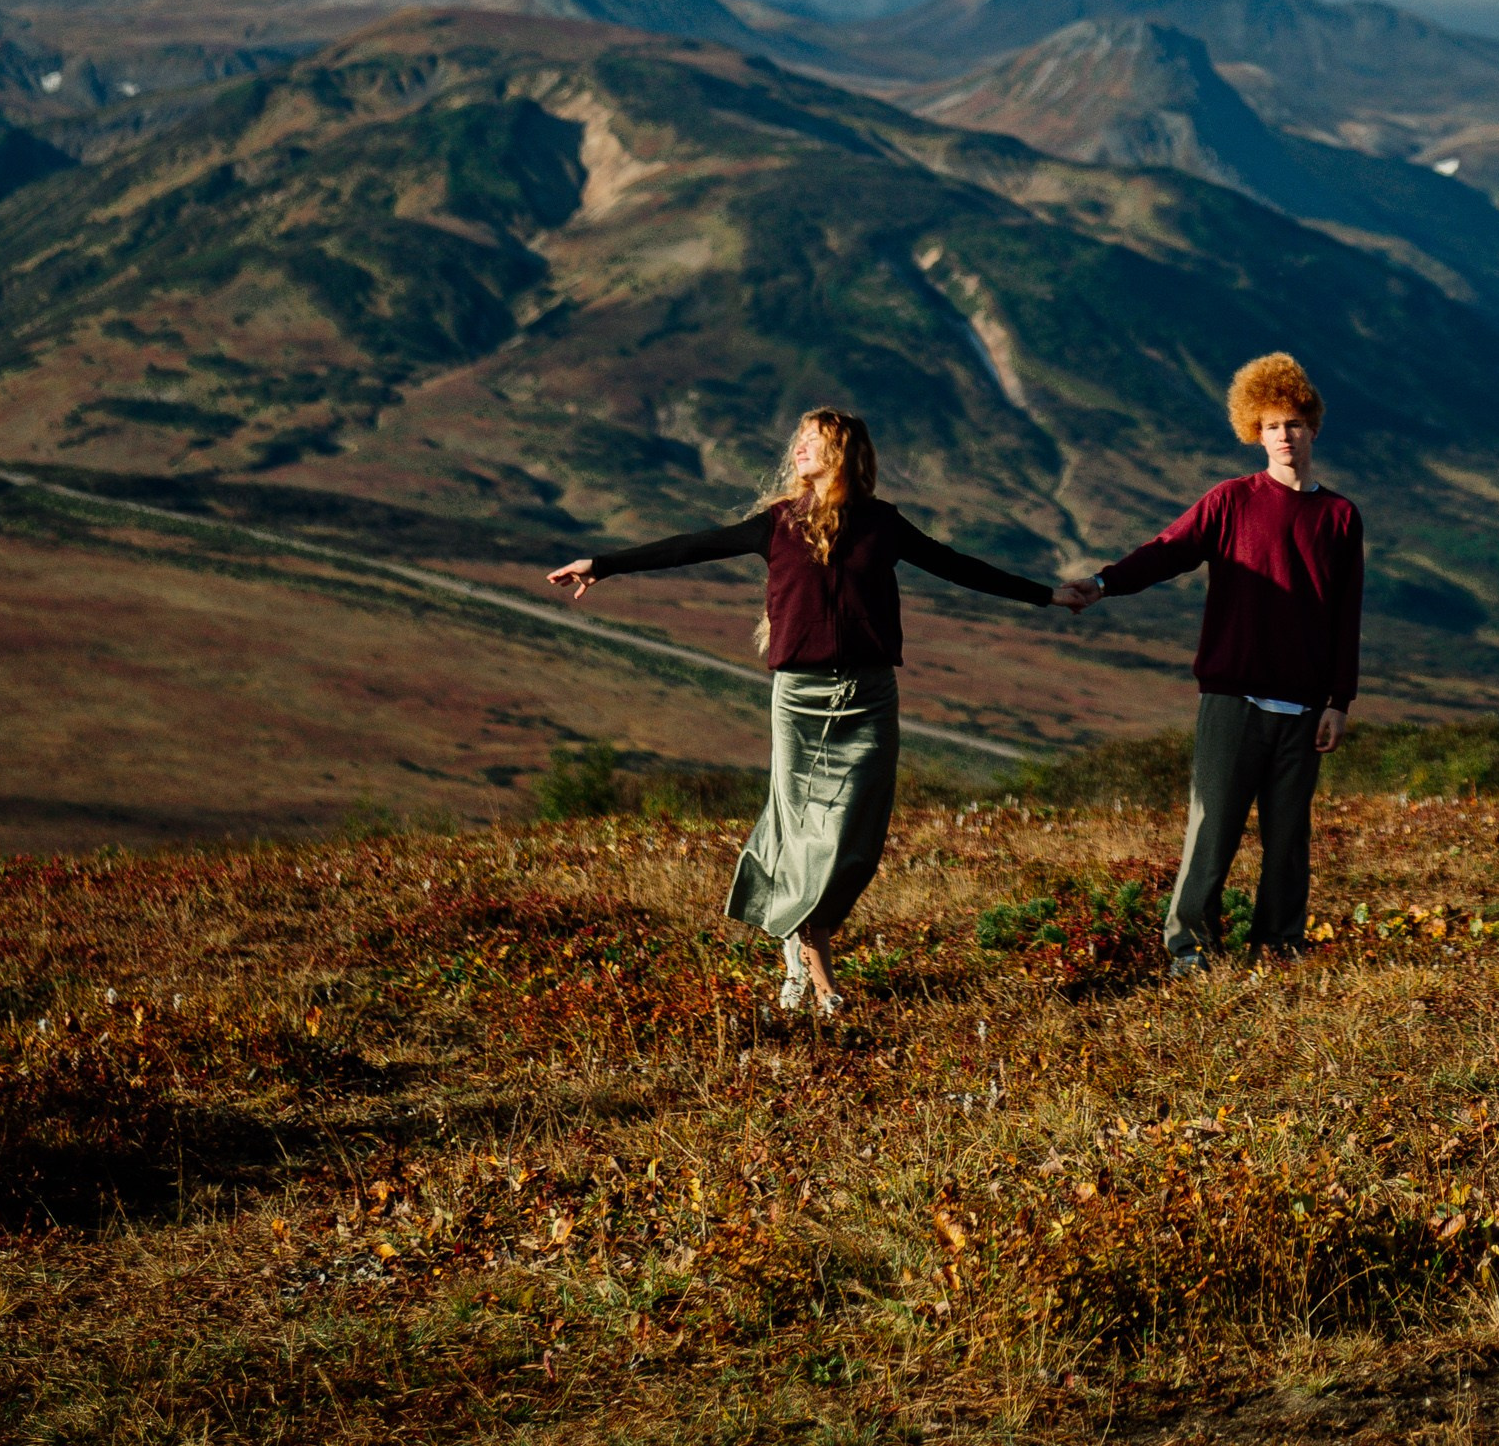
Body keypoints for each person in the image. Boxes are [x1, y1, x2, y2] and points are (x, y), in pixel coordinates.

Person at [547, 408, 1057, 1015]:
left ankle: (797, 937)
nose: (799, 451)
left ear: (842, 454)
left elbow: (959, 567)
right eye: (799, 441)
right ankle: (815, 973)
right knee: (803, 833)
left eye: (814, 442)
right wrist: (602, 564)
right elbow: (692, 546)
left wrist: (1048, 594)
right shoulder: (777, 525)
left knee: (854, 837)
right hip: (799, 698)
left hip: (869, 696)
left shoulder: (882, 525)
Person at [1056, 351, 1361, 974]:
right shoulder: (1229, 502)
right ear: (1254, 431)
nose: (1283, 435)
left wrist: (1339, 701)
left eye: (1294, 423)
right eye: (1271, 425)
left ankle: (1279, 948)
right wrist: (1103, 582)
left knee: (1288, 842)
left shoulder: (1340, 516)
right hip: (1232, 698)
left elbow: (1345, 615)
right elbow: (1166, 551)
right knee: (1212, 831)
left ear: (1314, 428)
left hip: (1304, 707)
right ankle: (1189, 950)